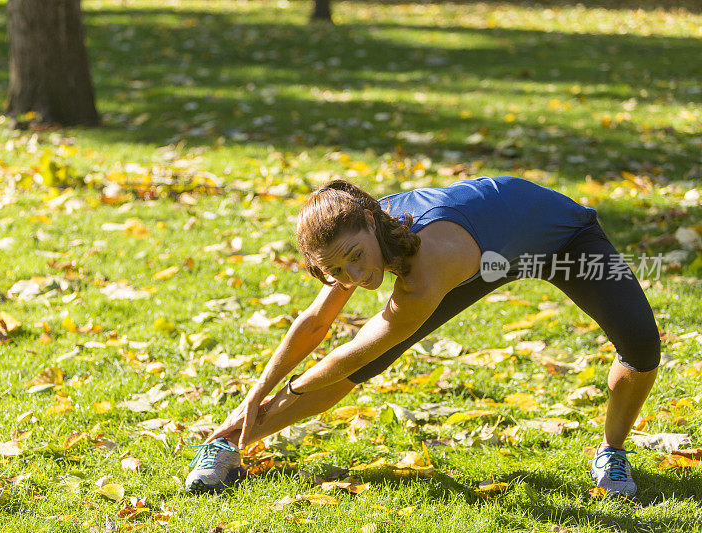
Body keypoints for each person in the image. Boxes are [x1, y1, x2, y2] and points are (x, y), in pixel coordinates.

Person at [184, 176, 660, 496]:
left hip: (562, 242)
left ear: (371, 224)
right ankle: (227, 444)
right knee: (363, 363)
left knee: (641, 346)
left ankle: (612, 453)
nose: (355, 274)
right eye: (337, 269)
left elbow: (350, 354)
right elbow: (314, 324)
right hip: (483, 252)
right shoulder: (357, 231)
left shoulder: (426, 269)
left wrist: (291, 388)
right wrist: (255, 394)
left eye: (355, 256)